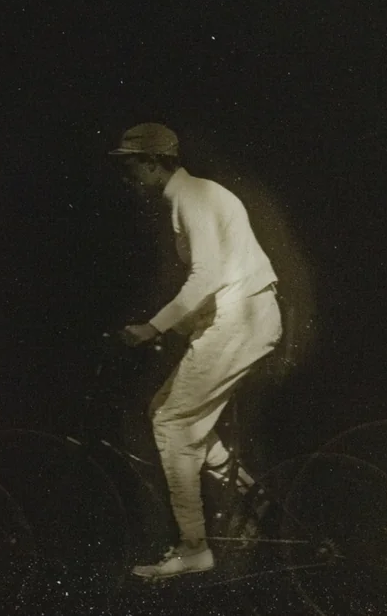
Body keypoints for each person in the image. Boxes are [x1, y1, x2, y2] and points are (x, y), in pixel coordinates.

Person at [110, 123, 282, 580]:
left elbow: (207, 277)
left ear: (152, 162)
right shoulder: (197, 196)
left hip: (242, 319)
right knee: (171, 411)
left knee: (171, 420)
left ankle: (193, 547)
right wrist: (180, 325)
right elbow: (219, 276)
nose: (128, 176)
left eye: (130, 165)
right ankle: (249, 492)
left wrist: (153, 327)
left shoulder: (191, 197)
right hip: (241, 317)